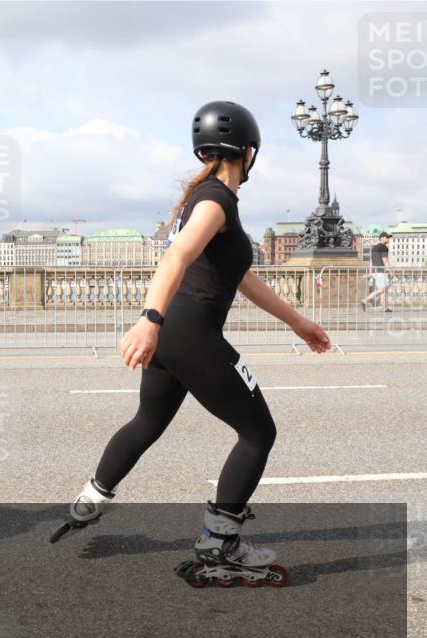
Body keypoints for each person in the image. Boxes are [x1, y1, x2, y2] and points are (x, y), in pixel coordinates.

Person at [52, 102, 332, 583]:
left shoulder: (207, 199)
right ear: (248, 152)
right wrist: (149, 319)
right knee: (258, 433)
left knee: (148, 420)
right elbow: (178, 256)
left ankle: (92, 498)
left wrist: (298, 322)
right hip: (188, 331)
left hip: (172, 335)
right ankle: (220, 544)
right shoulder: (215, 201)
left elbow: (241, 277)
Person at [361, 232, 394, 312]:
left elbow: (371, 261)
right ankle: (365, 300)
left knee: (384, 289)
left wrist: (370, 272)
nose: (388, 239)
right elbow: (385, 260)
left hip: (375, 271)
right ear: (382, 238)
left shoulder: (374, 248)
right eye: (387, 237)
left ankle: (384, 308)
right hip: (381, 271)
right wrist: (390, 271)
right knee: (382, 290)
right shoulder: (384, 247)